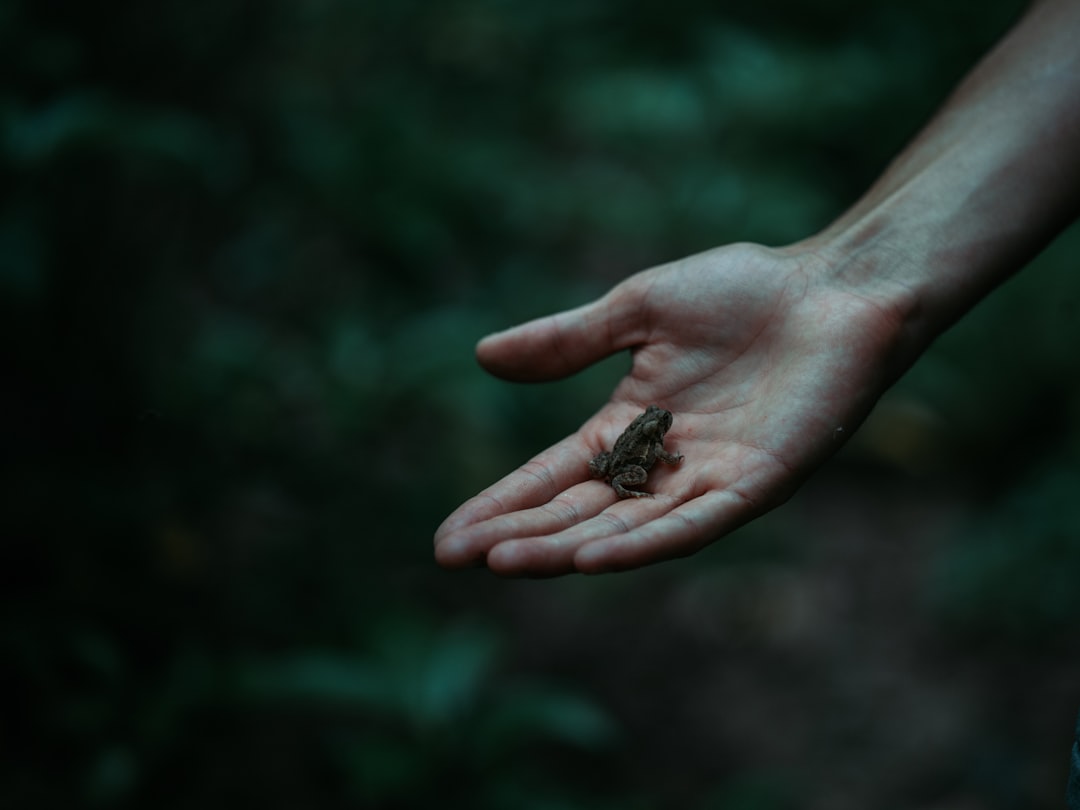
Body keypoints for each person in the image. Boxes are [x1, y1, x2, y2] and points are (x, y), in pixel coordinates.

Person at [434, 0, 1080, 801]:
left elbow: (646, 446)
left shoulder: (644, 432)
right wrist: (848, 275)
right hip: (624, 462)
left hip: (622, 458)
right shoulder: (649, 435)